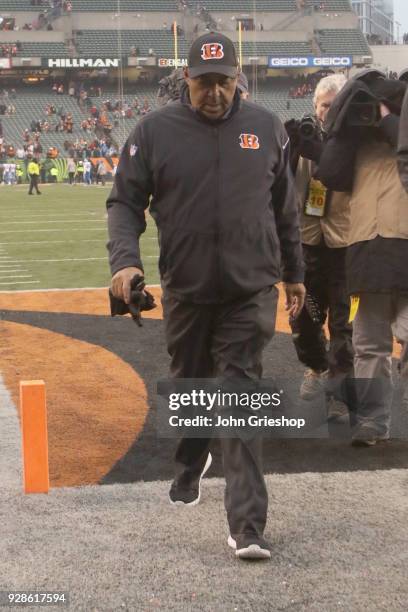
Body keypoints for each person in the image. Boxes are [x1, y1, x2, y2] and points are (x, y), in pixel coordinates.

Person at [107, 32, 305, 560]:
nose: (214, 93)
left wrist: (297, 274)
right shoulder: (153, 131)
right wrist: (126, 263)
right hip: (188, 289)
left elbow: (286, 210)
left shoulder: (267, 128)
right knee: (192, 383)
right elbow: (124, 203)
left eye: (223, 82)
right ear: (187, 81)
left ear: (237, 77)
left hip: (250, 288)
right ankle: (192, 459)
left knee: (239, 393)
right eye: (203, 83)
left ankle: (248, 526)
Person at [318, 71, 408, 446]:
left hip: (403, 245)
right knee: (368, 341)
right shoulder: (356, 144)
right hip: (364, 250)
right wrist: (344, 128)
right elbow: (330, 174)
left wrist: (391, 122)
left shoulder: (399, 132)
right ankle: (373, 421)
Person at [288, 74, 353, 421]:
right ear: (314, 106)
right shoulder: (302, 138)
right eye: (323, 105)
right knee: (306, 318)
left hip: (345, 247)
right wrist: (290, 149)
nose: (328, 111)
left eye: (334, 104)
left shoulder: (356, 141)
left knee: (345, 326)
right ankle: (316, 366)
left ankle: (340, 397)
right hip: (307, 247)